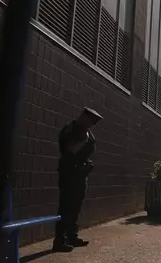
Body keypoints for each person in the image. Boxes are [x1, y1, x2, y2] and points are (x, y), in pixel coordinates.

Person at [52, 108, 102, 252]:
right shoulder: (70, 129)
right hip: (69, 174)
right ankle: (59, 240)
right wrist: (85, 140)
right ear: (84, 118)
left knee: (75, 208)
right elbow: (71, 149)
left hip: (80, 175)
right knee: (66, 207)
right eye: (91, 121)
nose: (92, 125)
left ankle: (71, 236)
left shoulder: (86, 132)